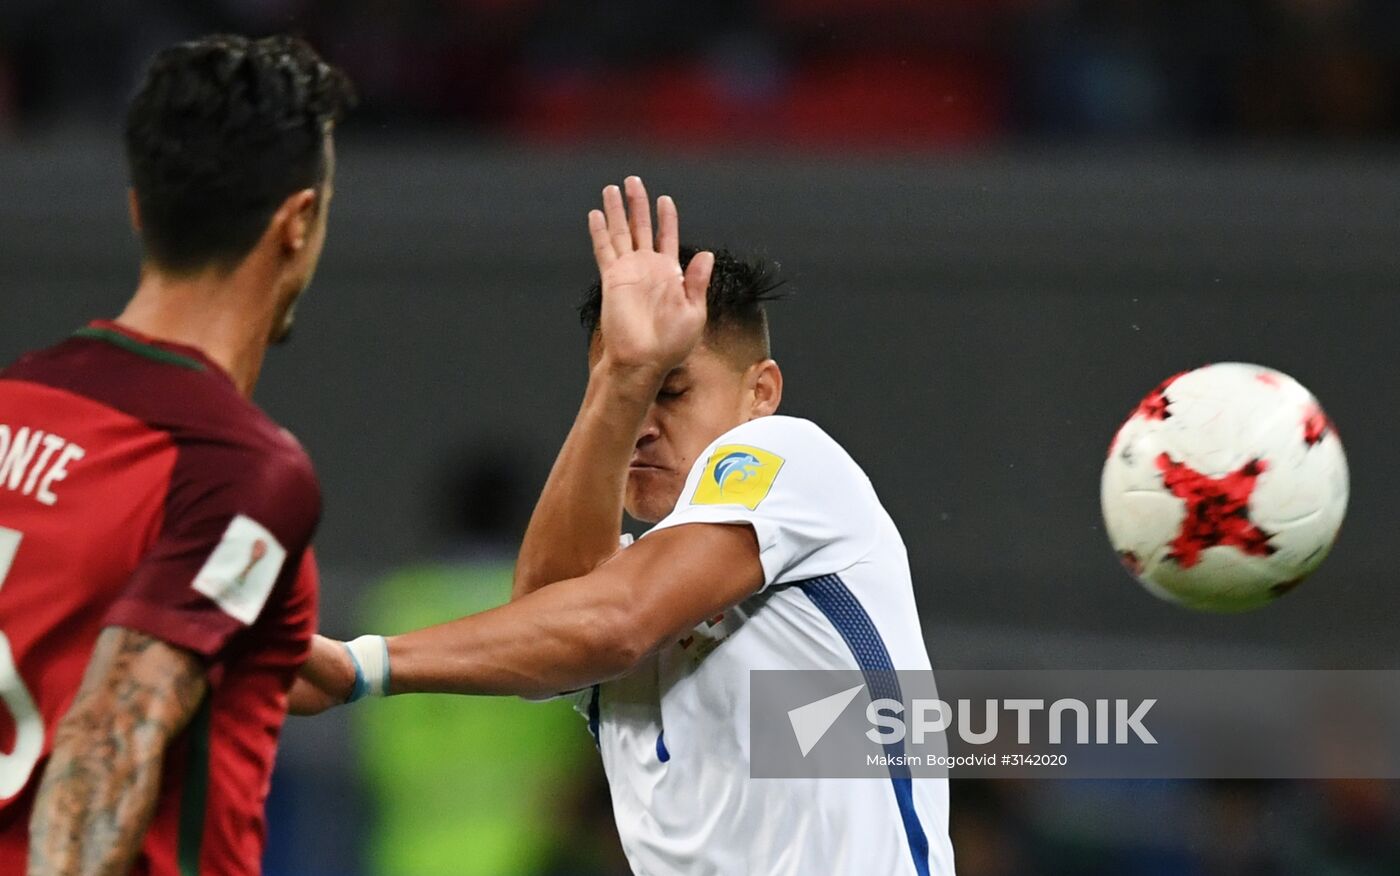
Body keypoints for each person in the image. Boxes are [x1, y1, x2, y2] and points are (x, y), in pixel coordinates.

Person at [294, 177, 956, 875]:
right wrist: (622, 376)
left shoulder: (791, 458)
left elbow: (615, 621)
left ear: (760, 392)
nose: (642, 426)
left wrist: (360, 667)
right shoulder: (621, 580)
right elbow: (551, 615)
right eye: (627, 395)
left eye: (670, 391)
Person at [0, 34, 353, 875]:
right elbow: (108, 734)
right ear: (297, 222)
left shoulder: (14, 398)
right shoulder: (240, 469)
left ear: (138, 209)